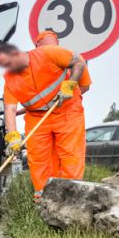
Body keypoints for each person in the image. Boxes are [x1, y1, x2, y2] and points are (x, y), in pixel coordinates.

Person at [0, 42, 87, 198]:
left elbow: (79, 62)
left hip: (67, 112)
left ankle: (71, 199)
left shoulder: (48, 54)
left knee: (71, 157)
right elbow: (9, 109)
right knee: (38, 161)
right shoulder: (10, 80)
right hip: (37, 118)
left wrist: (70, 85)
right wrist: (13, 137)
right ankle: (43, 201)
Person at [35, 28, 92, 169]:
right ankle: (64, 189)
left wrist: (68, 92)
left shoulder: (72, 59)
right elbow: (85, 86)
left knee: (58, 160)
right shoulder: (72, 57)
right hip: (57, 117)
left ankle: (56, 190)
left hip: (63, 117)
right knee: (65, 160)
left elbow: (84, 86)